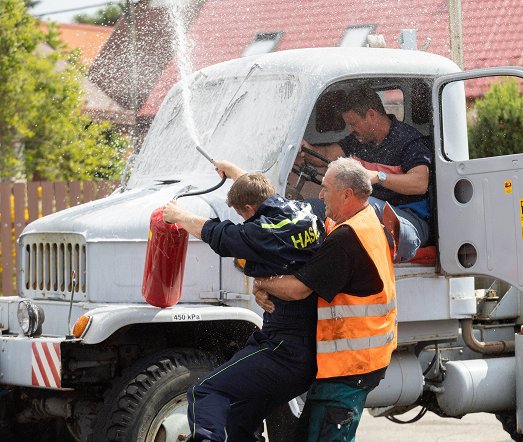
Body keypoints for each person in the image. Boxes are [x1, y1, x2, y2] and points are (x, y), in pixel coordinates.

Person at [162, 160, 324, 442]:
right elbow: (263, 192)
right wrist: (233, 171)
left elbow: (218, 233)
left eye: (244, 215)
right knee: (239, 420)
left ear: (249, 210)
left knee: (204, 393)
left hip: (284, 348)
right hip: (304, 347)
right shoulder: (300, 211)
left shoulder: (261, 231)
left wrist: (177, 216)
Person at [252, 157, 397, 441]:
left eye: (325, 188)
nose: (319, 194)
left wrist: (260, 281)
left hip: (349, 366)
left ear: (346, 195)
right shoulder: (365, 218)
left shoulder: (347, 239)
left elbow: (298, 290)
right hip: (357, 362)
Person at [301, 84, 432, 262]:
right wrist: (305, 149)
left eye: (353, 123)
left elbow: (420, 183)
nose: (350, 129)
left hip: (410, 221)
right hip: (368, 212)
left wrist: (378, 176)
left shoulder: (408, 140)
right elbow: (325, 156)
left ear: (371, 114)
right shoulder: (357, 140)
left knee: (359, 203)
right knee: (310, 208)